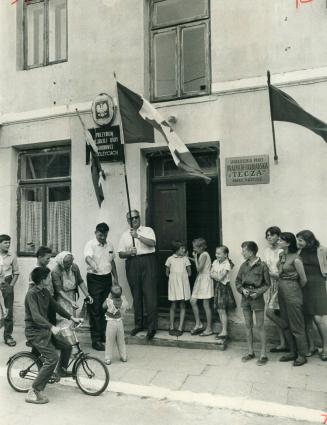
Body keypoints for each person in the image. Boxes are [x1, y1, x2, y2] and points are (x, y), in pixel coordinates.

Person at [25, 267, 83, 404]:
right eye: (48, 277)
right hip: (35, 331)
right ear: (42, 279)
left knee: (67, 346)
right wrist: (51, 327)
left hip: (45, 330)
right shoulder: (31, 294)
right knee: (52, 358)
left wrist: (71, 318)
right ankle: (34, 391)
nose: (50, 279)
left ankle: (61, 371)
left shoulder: (45, 292)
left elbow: (55, 306)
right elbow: (36, 316)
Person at [118, 209, 158, 340]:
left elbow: (153, 243)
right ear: (127, 221)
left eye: (136, 217)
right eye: (131, 219)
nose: (134, 220)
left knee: (150, 294)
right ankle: (138, 324)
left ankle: (152, 327)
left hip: (148, 261)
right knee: (136, 294)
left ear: (139, 218)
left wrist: (138, 236)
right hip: (132, 263)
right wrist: (129, 253)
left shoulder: (148, 230)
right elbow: (120, 253)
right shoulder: (124, 235)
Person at [84, 223, 118, 351]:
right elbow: (87, 257)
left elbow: (112, 261)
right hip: (94, 279)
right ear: (95, 232)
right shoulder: (90, 244)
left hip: (107, 278)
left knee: (106, 307)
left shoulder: (110, 245)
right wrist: (93, 264)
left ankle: (103, 335)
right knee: (95, 308)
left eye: (105, 235)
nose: (103, 237)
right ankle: (96, 340)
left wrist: (116, 279)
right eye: (100, 235)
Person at [235, 241, 270, 366]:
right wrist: (242, 290)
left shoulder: (263, 266)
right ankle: (250, 352)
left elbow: (267, 284)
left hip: (257, 298)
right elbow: (238, 282)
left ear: (251, 251)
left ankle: (263, 354)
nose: (242, 253)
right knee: (248, 325)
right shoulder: (243, 266)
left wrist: (258, 293)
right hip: (245, 298)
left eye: (244, 250)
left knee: (260, 325)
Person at [277, 232, 308, 366]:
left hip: (293, 293)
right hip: (281, 292)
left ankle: (302, 355)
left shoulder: (296, 259)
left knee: (297, 324)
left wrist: (293, 288)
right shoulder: (282, 255)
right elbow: (279, 273)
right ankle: (292, 351)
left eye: (280, 240)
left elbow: (304, 280)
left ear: (288, 243)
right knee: (285, 323)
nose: (278, 241)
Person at [296, 230, 327, 361]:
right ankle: (312, 346)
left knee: (318, 319)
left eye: (301, 240)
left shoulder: (322, 250)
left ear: (310, 240)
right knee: (306, 318)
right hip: (303, 286)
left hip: (317, 285)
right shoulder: (299, 251)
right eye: (298, 240)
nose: (298, 243)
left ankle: (325, 347)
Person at [263, 226, 288, 353]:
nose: (269, 237)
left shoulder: (282, 251)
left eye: (272, 235)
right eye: (267, 235)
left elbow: (282, 271)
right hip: (270, 284)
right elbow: (264, 266)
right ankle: (283, 343)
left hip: (281, 283)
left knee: (281, 312)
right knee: (275, 313)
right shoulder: (266, 251)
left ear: (278, 236)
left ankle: (290, 341)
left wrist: (272, 274)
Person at [52, 251, 93, 328]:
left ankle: (70, 336)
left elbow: (80, 281)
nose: (69, 264)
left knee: (72, 319)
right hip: (61, 297)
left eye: (71, 262)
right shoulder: (55, 271)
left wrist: (87, 295)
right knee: (63, 318)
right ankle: (63, 337)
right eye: (67, 263)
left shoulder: (74, 267)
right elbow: (59, 290)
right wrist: (70, 301)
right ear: (61, 262)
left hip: (72, 295)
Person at [210, 245, 236, 344]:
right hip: (217, 287)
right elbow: (210, 273)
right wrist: (216, 276)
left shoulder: (227, 263)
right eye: (216, 253)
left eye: (219, 253)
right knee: (219, 310)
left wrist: (215, 275)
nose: (217, 255)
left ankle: (224, 331)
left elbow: (220, 277)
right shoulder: (215, 262)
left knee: (222, 310)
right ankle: (223, 330)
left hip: (223, 288)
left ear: (225, 255)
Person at [165, 241, 191, 336]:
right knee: (173, 304)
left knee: (182, 304)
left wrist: (183, 277)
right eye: (182, 248)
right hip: (174, 285)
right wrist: (173, 279)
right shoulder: (170, 259)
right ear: (176, 250)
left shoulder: (185, 259)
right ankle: (171, 326)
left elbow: (190, 272)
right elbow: (167, 272)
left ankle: (180, 327)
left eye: (184, 248)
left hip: (183, 284)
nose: (184, 250)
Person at [190, 238, 214, 337]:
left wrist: (195, 258)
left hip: (205, 280)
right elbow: (200, 264)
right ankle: (199, 324)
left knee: (206, 304)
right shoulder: (202, 255)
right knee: (193, 301)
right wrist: (189, 258)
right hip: (201, 279)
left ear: (200, 247)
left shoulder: (204, 254)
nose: (194, 249)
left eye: (195, 248)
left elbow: (199, 269)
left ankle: (209, 329)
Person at [0, 234, 19, 347]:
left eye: (9, 243)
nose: (8, 245)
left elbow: (16, 273)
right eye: (5, 243)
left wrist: (10, 286)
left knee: (8, 311)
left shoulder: (12, 256)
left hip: (7, 282)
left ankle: (8, 336)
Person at [103, 285, 128, 365]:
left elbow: (103, 306)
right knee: (121, 340)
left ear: (111, 294)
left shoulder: (110, 302)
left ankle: (108, 358)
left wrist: (108, 297)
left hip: (111, 323)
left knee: (109, 341)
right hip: (119, 322)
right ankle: (123, 356)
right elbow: (124, 308)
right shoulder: (123, 301)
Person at [33, 246, 56, 325]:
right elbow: (31, 288)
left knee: (52, 320)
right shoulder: (35, 271)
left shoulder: (46, 268)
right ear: (39, 257)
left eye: (50, 258)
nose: (49, 260)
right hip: (41, 301)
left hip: (50, 298)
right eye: (47, 258)